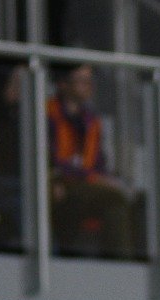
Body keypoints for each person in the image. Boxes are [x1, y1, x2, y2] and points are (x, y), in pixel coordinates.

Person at [46, 63, 136, 259]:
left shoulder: (91, 120)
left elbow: (98, 162)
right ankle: (121, 265)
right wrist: (91, 177)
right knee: (115, 198)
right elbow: (51, 160)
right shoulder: (48, 113)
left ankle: (131, 266)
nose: (88, 86)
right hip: (61, 185)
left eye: (89, 81)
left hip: (87, 185)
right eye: (81, 81)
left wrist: (106, 178)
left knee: (134, 202)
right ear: (63, 84)